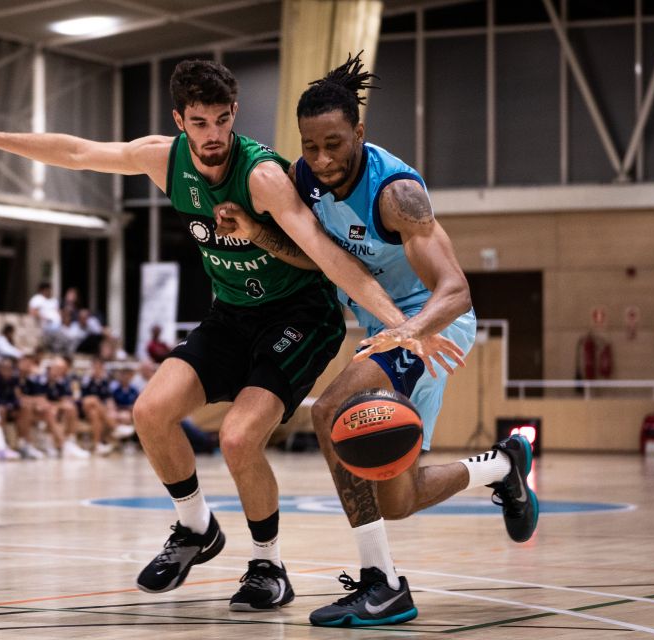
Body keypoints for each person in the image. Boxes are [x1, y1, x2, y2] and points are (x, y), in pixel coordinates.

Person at [0, 59, 422, 612]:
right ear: (179, 121)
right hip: (232, 313)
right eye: (199, 123)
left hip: (299, 316)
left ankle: (269, 565)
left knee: (238, 439)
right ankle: (196, 528)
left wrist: (399, 323)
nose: (213, 135)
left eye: (222, 121)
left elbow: (324, 256)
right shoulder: (163, 159)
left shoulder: (261, 176)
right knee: (150, 411)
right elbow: (76, 152)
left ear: (234, 113)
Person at [214, 54, 537, 627]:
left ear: (359, 133)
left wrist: (409, 330)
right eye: (310, 146)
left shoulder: (396, 194)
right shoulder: (306, 178)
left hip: (433, 326)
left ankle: (382, 584)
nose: (321, 159)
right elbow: (316, 256)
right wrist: (257, 232)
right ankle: (503, 466)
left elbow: (456, 290)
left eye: (333, 145)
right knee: (397, 498)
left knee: (331, 412)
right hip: (392, 333)